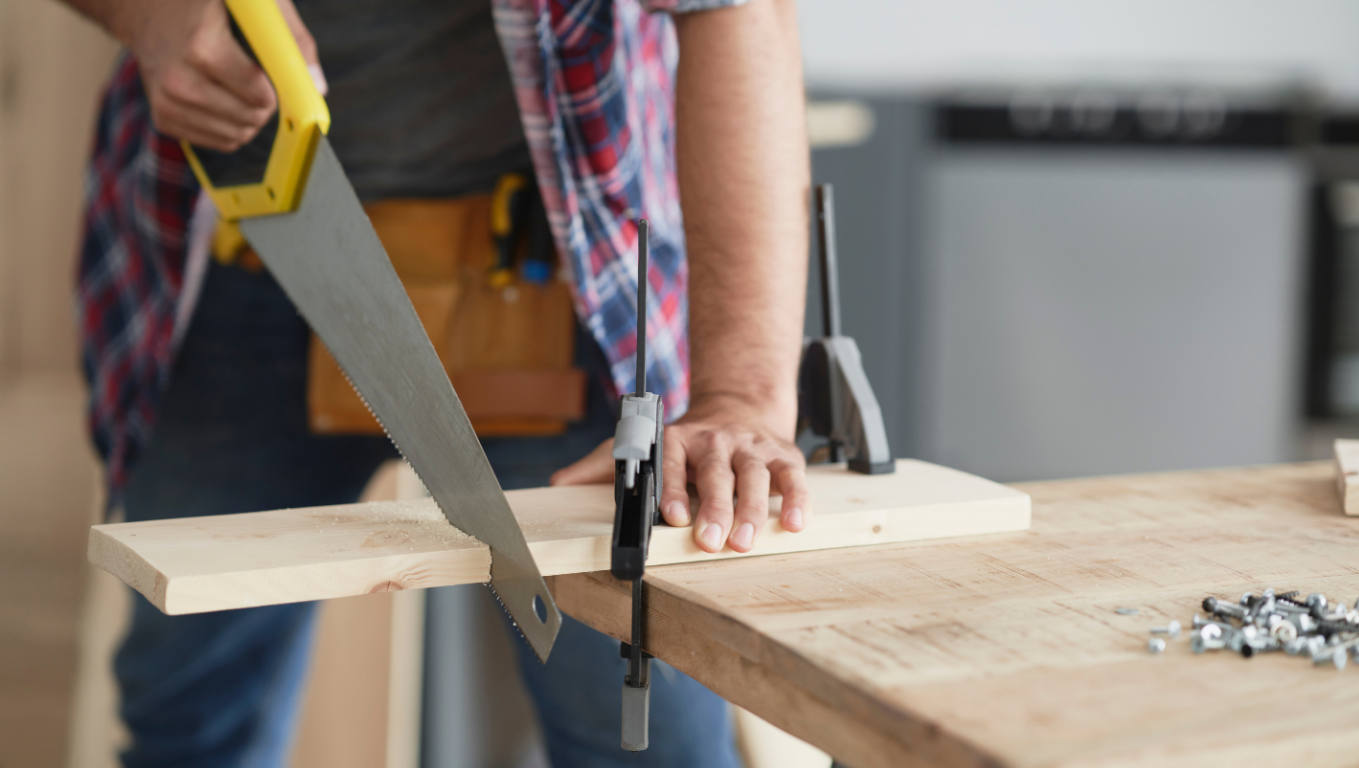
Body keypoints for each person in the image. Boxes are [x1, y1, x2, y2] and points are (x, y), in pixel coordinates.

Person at [65, 0, 811, 764]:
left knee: (639, 735)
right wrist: (148, 14)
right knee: (188, 720)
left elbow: (734, 9)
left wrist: (739, 395)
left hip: (558, 272)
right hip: (237, 243)